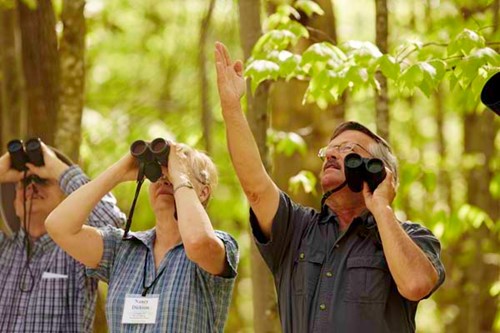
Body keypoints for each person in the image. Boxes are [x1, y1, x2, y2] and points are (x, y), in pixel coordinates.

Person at [214, 41, 445, 332]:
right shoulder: (296, 229)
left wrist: (381, 207)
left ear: (376, 171)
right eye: (329, 150)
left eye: (348, 148)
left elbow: (415, 284)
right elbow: (256, 186)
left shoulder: (413, 238)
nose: (332, 154)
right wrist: (231, 107)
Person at [45, 141, 239, 333]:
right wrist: (119, 172)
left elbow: (197, 242)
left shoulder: (221, 245)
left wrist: (179, 173)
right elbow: (59, 226)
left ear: (203, 192)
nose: (165, 178)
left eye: (171, 173)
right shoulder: (122, 249)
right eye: (159, 173)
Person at [0, 142, 125, 332]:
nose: (32, 187)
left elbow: (112, 222)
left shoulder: (78, 250)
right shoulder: (2, 247)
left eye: (43, 181)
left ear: (66, 198)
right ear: (15, 202)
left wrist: (59, 170)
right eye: (24, 182)